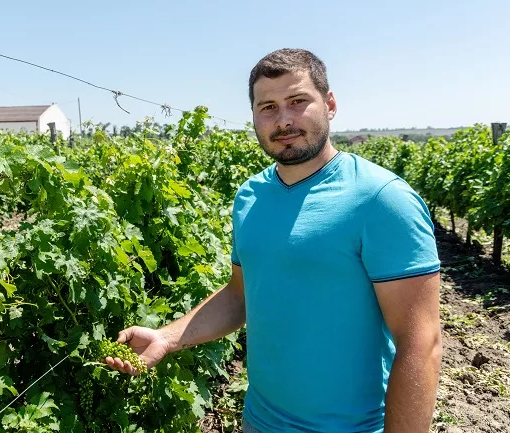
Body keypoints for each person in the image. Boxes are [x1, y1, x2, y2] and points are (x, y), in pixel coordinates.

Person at [104, 48, 442, 433]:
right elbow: (240, 295)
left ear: (329, 105)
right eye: (268, 107)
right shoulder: (251, 195)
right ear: (253, 116)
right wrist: (165, 338)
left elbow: (420, 344)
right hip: (259, 422)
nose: (283, 120)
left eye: (298, 101)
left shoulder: (381, 199)